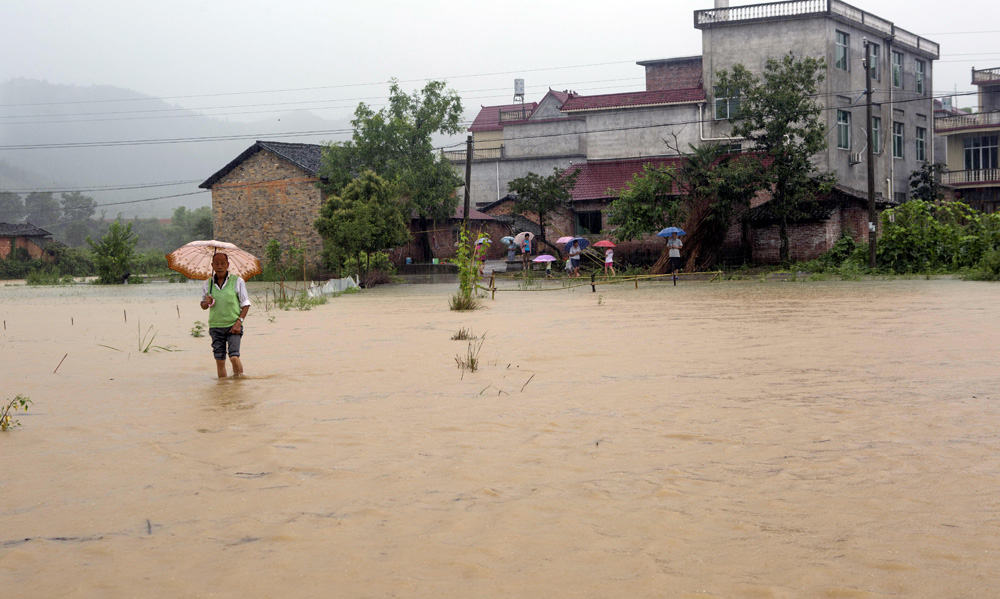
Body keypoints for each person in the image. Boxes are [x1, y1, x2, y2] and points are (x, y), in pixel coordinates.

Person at [200, 252, 251, 379]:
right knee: (220, 360)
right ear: (212, 265)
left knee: (234, 356)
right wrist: (207, 302)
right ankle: (223, 390)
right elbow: (203, 305)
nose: (220, 266)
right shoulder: (208, 284)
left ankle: (238, 386)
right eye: (216, 264)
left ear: (228, 265)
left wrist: (239, 322)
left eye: (223, 263)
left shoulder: (237, 281)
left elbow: (246, 304)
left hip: (233, 325)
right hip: (215, 326)